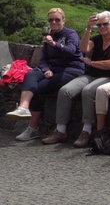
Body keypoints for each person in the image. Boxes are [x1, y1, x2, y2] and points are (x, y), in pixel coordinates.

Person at [41, 11, 110, 146]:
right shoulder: (96, 40)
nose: (102, 27)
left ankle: (87, 130)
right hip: (90, 74)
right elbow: (82, 48)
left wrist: (92, 63)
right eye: (99, 24)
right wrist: (88, 29)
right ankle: (60, 130)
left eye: (105, 24)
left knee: (88, 91)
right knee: (65, 91)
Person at [7, 8, 85, 141]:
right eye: (51, 20)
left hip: (70, 70)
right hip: (52, 70)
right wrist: (45, 69)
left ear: (63, 20)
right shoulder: (48, 36)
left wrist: (53, 44)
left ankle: (33, 129)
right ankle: (23, 108)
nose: (53, 22)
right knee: (30, 75)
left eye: (57, 20)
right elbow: (43, 59)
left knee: (38, 89)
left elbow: (71, 51)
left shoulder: (71, 34)